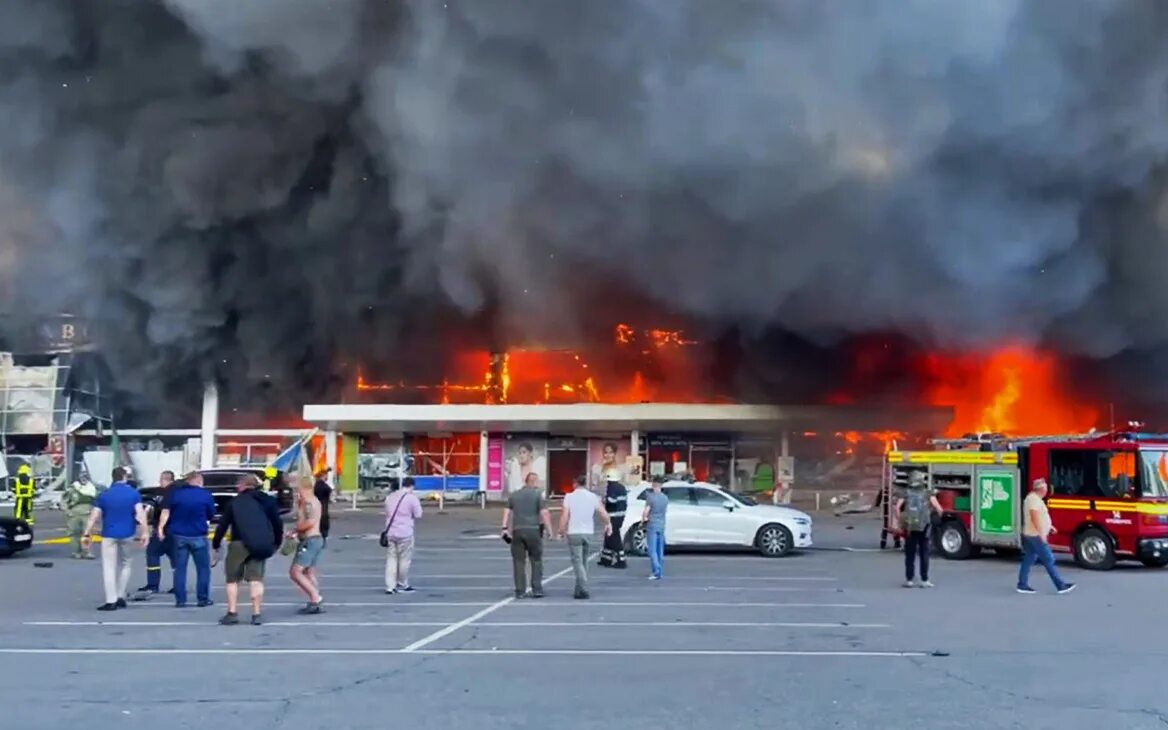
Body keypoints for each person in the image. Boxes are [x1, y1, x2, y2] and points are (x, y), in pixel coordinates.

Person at [212, 474, 283, 625]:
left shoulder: (234, 502)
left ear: (242, 486)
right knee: (256, 579)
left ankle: (232, 612)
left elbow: (222, 525)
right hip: (260, 544)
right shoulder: (268, 501)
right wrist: (276, 542)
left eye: (238, 485)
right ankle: (256, 613)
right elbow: (277, 523)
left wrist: (216, 543)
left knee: (232, 580)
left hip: (238, 543)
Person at [82, 467, 148, 611]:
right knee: (126, 563)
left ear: (113, 477)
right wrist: (144, 532)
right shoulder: (133, 494)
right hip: (128, 533)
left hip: (109, 534)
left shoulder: (104, 495)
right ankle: (120, 595)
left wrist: (87, 533)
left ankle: (110, 600)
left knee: (109, 567)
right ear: (125, 477)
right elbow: (140, 514)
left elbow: (94, 516)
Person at [159, 471, 216, 608]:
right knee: (203, 569)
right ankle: (202, 599)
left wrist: (160, 528)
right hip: (198, 534)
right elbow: (211, 514)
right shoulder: (205, 495)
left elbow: (166, 512)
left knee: (180, 569)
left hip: (178, 535)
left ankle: (180, 600)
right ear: (199, 481)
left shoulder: (176, 494)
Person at [1018, 478, 1076, 595]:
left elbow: (1041, 516)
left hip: (1031, 534)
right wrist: (1041, 533)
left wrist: (1049, 526)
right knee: (1049, 560)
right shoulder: (1033, 500)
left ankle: (1022, 584)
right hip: (1035, 535)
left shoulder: (1035, 498)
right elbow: (1034, 517)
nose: (1047, 491)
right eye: (1045, 488)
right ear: (1040, 489)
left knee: (1028, 559)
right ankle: (1061, 586)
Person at [502, 472, 555, 598]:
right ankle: (537, 589)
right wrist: (550, 531)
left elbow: (507, 512)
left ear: (526, 481)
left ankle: (520, 590)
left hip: (517, 531)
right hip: (533, 531)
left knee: (519, 561)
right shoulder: (538, 495)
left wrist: (504, 528)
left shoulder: (514, 495)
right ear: (535, 481)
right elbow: (544, 514)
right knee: (536, 560)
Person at [560, 475, 612, 599]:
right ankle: (578, 590)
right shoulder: (593, 497)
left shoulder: (569, 497)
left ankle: (583, 585)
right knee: (584, 562)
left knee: (577, 562)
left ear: (575, 483)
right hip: (588, 532)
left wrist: (561, 530)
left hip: (574, 532)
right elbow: (603, 513)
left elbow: (565, 515)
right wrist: (608, 524)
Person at [895, 471, 943, 588]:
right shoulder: (928, 493)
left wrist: (901, 522)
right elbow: (939, 509)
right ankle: (924, 580)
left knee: (910, 554)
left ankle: (909, 580)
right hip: (924, 527)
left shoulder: (906, 492)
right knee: (924, 554)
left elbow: (897, 508)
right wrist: (935, 517)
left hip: (910, 527)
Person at [136, 470, 178, 597]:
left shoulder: (172, 492)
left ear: (167, 480)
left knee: (154, 554)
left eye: (161, 480)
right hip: (170, 530)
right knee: (172, 559)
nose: (159, 482)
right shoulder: (163, 492)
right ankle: (175, 585)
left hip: (167, 530)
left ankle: (154, 585)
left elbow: (163, 510)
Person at [288, 476, 325, 614]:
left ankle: (315, 598)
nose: (296, 491)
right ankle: (314, 600)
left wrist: (295, 530)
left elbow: (310, 522)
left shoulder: (309, 503)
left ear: (304, 487)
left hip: (310, 540)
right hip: (314, 539)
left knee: (295, 572)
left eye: (297, 488)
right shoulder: (310, 501)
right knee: (309, 572)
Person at [383, 476, 423, 594]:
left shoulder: (390, 497)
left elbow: (387, 512)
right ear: (411, 486)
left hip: (390, 532)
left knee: (391, 559)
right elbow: (418, 514)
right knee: (404, 559)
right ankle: (403, 583)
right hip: (405, 532)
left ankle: (390, 586)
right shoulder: (412, 498)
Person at [63, 472, 97, 559]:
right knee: (74, 534)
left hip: (87, 514)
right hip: (74, 515)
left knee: (87, 533)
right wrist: (67, 511)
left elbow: (97, 502)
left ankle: (87, 552)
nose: (83, 478)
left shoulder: (92, 488)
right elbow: (64, 500)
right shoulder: (72, 488)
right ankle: (76, 552)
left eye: (85, 477)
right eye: (82, 476)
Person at [598, 472, 627, 569]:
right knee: (609, 537)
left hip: (613, 516)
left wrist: (603, 500)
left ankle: (621, 560)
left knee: (614, 537)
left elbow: (612, 501)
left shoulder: (612, 488)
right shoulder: (622, 487)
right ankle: (606, 559)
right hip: (620, 516)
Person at [641, 476, 669, 580]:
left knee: (652, 550)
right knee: (659, 550)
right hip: (662, 524)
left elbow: (646, 511)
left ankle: (656, 571)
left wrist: (643, 519)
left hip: (652, 524)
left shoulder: (650, 497)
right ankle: (660, 571)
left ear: (653, 485)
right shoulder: (665, 498)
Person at [313, 468, 333, 545]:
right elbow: (330, 490)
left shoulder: (316, 485)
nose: (326, 477)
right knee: (324, 526)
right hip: (323, 509)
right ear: (323, 476)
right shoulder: (324, 486)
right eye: (326, 475)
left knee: (318, 525)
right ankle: (323, 540)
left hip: (316, 509)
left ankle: (318, 539)